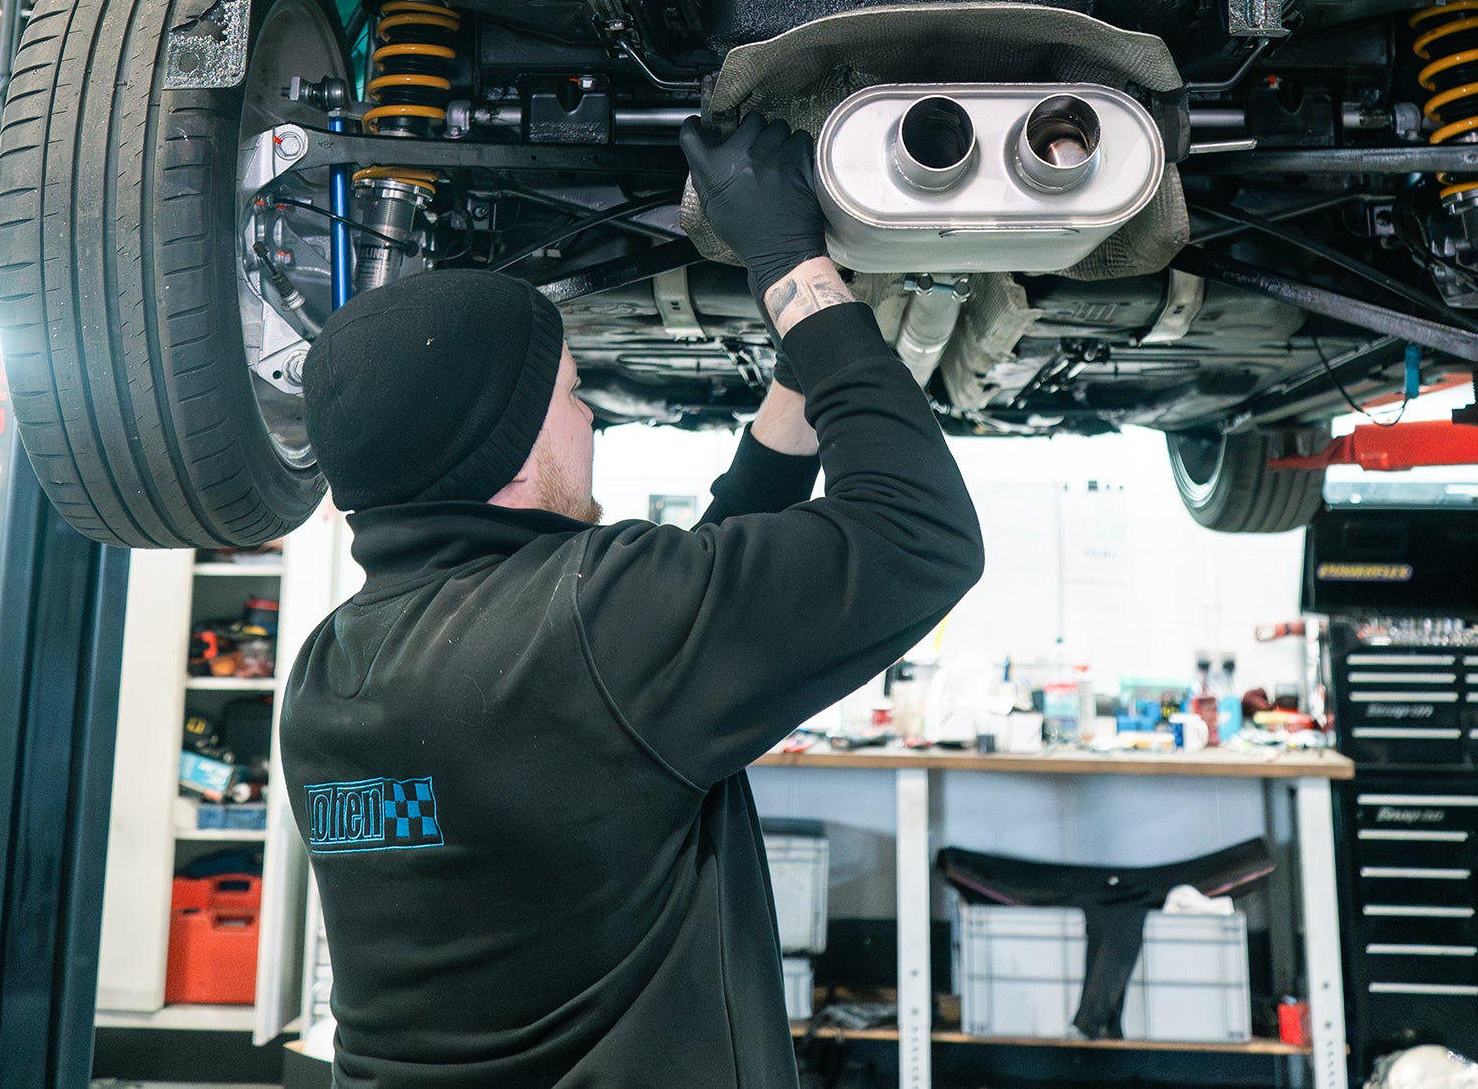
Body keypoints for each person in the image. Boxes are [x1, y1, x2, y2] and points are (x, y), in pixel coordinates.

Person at [279, 113, 985, 1088]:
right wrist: (793, 270)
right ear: (512, 449)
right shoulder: (585, 628)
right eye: (573, 396)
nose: (592, 421)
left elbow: (650, 644)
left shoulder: (331, 670)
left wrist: (805, 387)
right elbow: (920, 537)